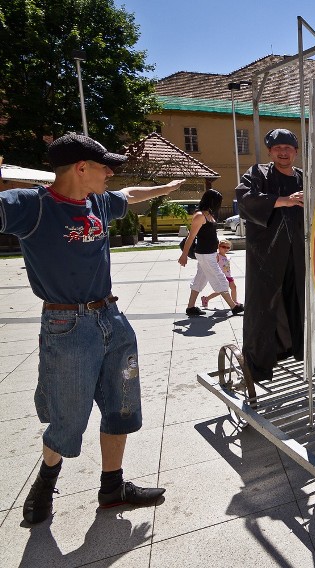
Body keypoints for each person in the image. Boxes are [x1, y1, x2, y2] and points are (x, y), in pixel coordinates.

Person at [0, 133, 183, 524]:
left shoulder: (98, 201)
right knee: (69, 416)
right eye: (104, 165)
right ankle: (45, 483)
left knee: (122, 404)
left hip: (112, 319)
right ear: (81, 167)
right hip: (67, 324)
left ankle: (112, 487)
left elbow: (130, 193)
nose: (110, 172)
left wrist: (164, 188)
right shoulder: (32, 206)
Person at [235, 128, 306, 382]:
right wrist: (283, 200)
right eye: (278, 148)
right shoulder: (258, 174)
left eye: (288, 148)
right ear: (270, 151)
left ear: (296, 152)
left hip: (299, 253)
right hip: (266, 253)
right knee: (263, 305)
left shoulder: (305, 177)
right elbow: (244, 199)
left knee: (299, 301)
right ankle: (259, 364)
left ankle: (296, 349)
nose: (283, 152)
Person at [179, 190, 243, 316]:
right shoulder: (200, 216)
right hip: (204, 254)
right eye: (218, 201)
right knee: (220, 279)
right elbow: (190, 237)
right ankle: (233, 306)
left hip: (209, 254)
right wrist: (184, 255)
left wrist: (217, 254)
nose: (220, 204)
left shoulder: (210, 215)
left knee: (200, 280)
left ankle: (190, 307)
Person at [201, 239, 238, 308]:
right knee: (221, 291)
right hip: (222, 276)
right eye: (224, 247)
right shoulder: (217, 256)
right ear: (219, 247)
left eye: (228, 247)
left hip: (228, 275)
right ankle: (206, 298)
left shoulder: (227, 256)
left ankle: (234, 301)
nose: (226, 249)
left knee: (234, 287)